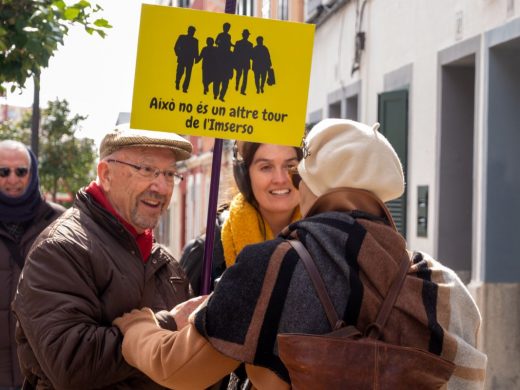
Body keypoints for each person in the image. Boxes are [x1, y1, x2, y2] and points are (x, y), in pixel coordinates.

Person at [114, 119, 487, 389]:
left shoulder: (274, 265)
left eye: (297, 176)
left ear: (311, 185)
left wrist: (137, 328)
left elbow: (178, 367)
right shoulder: (442, 283)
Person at [11, 124, 195, 389]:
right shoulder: (61, 248)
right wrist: (167, 326)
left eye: (169, 174)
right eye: (146, 170)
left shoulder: (165, 261)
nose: (162, 187)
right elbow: (71, 363)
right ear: (106, 174)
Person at [180, 141, 302, 296]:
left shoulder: (325, 244)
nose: (280, 179)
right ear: (244, 176)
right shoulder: (206, 253)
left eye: (290, 166)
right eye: (266, 167)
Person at [0, 140, 65, 390]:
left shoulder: (59, 221)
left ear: (32, 172)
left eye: (21, 171)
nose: (12, 179)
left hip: (42, 371)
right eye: (3, 171)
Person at [174, 25, 199, 93]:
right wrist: (178, 54)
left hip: (190, 60)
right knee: (180, 72)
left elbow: (196, 51)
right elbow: (176, 46)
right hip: (182, 58)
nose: (192, 32)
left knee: (188, 75)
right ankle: (177, 82)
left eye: (193, 31)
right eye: (191, 31)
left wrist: (196, 58)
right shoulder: (182, 37)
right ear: (188, 31)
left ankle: (185, 88)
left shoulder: (195, 41)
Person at [233, 29, 253, 95]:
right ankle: (239, 87)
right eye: (246, 35)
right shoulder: (249, 44)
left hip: (242, 62)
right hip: (243, 62)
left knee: (242, 76)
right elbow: (235, 53)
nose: (247, 36)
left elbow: (234, 53)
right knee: (241, 76)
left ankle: (240, 88)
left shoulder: (238, 43)